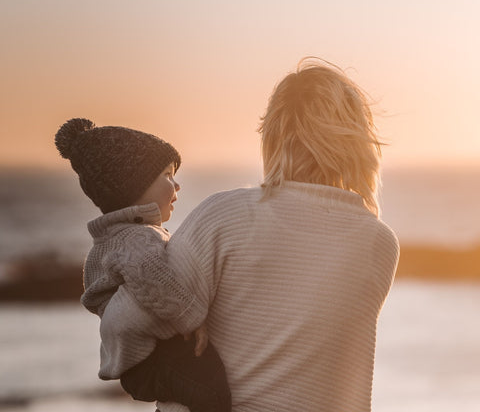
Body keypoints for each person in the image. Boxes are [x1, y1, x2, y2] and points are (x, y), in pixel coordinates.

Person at [162, 58, 400, 412]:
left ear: (273, 134)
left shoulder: (224, 216)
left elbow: (147, 318)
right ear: (357, 142)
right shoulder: (379, 243)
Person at [54, 118, 231, 412]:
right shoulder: (136, 240)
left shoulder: (117, 237)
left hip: (142, 362)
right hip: (151, 361)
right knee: (213, 394)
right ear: (132, 187)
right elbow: (158, 281)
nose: (177, 184)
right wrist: (193, 319)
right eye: (167, 175)